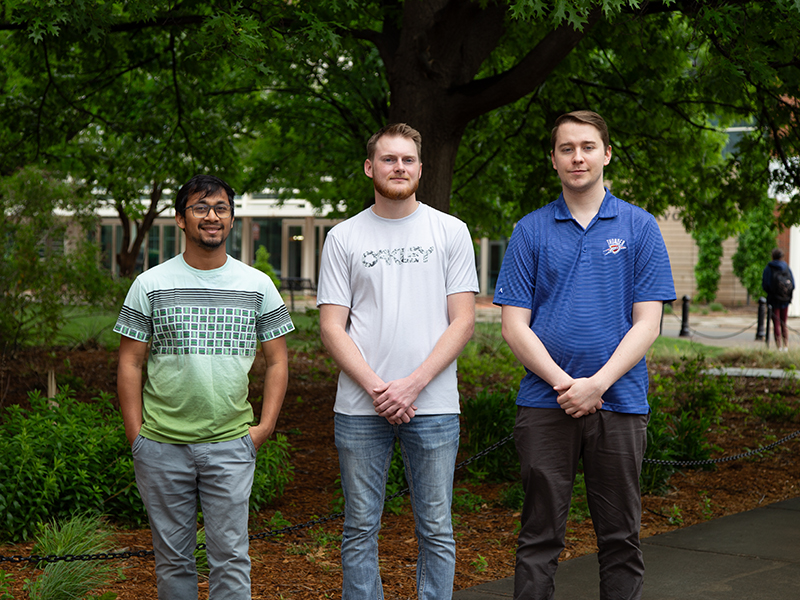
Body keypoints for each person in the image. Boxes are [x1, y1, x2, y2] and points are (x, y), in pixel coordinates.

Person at [493, 110, 676, 600]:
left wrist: (597, 384)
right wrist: (564, 385)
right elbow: (514, 326)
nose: (578, 157)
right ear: (553, 159)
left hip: (620, 403)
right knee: (538, 537)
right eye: (567, 148)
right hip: (543, 402)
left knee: (621, 538)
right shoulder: (530, 231)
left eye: (588, 147)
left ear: (607, 153)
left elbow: (648, 322)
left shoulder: (640, 227)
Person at [316, 123, 479, 600]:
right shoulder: (343, 237)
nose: (399, 167)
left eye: (408, 160)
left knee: (437, 529)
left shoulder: (450, 231)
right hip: (359, 407)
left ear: (421, 169)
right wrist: (376, 387)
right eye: (389, 159)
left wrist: (411, 385)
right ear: (370, 167)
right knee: (359, 527)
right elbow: (331, 326)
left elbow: (463, 321)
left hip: (433, 406)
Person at [115, 174, 294, 600]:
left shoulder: (257, 285)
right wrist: (135, 435)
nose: (211, 217)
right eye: (200, 208)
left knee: (231, 558)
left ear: (231, 219)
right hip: (160, 445)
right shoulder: (150, 284)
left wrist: (264, 426)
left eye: (221, 209)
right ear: (180, 219)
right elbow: (129, 361)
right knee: (172, 559)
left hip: (231, 443)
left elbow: (278, 359)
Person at [762, 247, 795, 351]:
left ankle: (779, 347)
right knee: (784, 322)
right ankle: (786, 346)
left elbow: (765, 284)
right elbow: (792, 284)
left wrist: (771, 293)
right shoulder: (786, 267)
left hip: (773, 300)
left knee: (776, 323)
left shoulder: (769, 268)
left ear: (772, 256)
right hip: (785, 300)